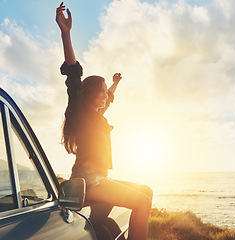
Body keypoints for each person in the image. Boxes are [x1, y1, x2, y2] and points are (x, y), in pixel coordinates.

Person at [56, 3, 153, 240]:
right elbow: (73, 75)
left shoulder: (97, 115)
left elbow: (108, 99)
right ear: (87, 94)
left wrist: (114, 83)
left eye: (104, 91)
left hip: (100, 178)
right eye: (99, 90)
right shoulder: (80, 109)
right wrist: (66, 34)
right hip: (88, 180)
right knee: (141, 202)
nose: (104, 94)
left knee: (146, 191)